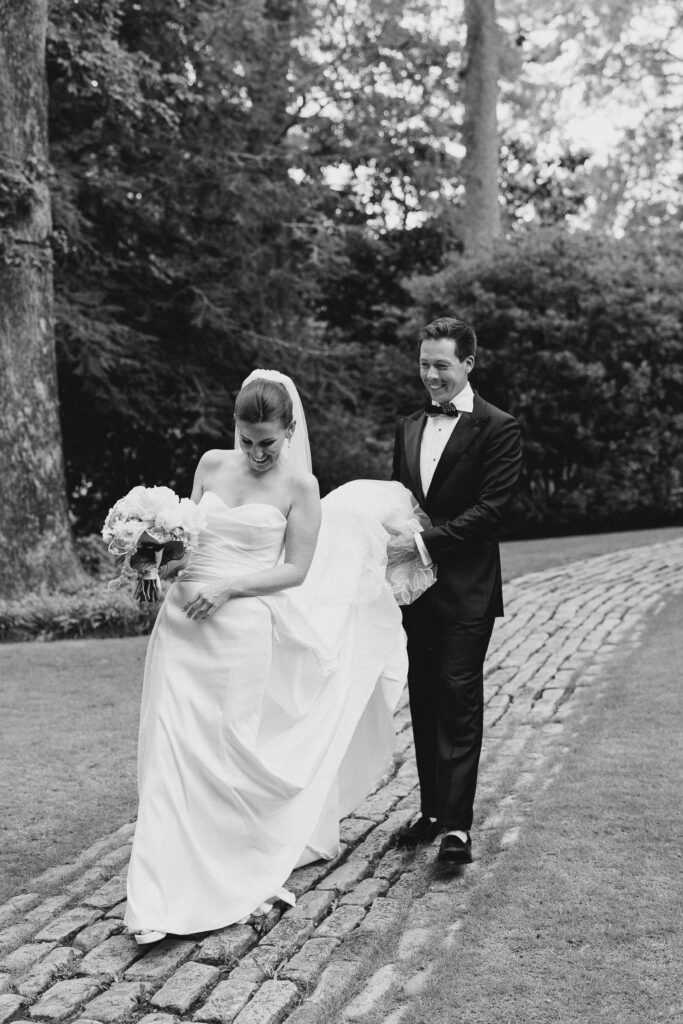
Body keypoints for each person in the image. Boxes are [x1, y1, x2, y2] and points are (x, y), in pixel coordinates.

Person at [124, 370, 426, 943]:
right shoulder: (212, 465)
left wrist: (231, 589)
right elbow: (187, 540)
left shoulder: (301, 486)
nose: (258, 453)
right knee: (169, 751)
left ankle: (232, 871)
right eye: (248, 440)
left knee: (225, 751)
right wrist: (155, 560)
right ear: (234, 430)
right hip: (181, 629)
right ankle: (156, 899)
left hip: (241, 629)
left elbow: (295, 570)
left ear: (289, 430)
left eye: (268, 442)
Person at [388, 316, 522, 865]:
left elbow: (492, 511)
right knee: (423, 697)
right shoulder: (409, 425)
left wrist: (423, 544)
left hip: (467, 589)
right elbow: (399, 499)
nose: (432, 376)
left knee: (459, 696)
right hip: (417, 592)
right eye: (425, 365)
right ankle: (433, 811)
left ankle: (458, 829)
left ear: (468, 363)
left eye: (442, 365)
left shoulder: (499, 427)